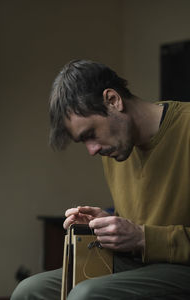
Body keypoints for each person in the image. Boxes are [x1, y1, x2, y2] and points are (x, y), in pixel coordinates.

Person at [11, 60, 190, 300]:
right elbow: (145, 220)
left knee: (87, 295)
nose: (92, 150)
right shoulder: (117, 148)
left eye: (90, 135)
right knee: (29, 291)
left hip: (181, 267)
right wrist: (109, 225)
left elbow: (145, 234)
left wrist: (143, 237)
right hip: (139, 264)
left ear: (113, 100)